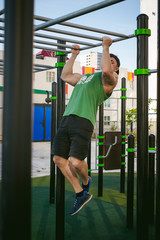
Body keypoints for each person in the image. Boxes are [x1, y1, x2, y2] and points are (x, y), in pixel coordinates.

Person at [52, 36, 120, 216]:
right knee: (58, 159)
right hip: (67, 118)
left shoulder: (110, 79)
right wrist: (74, 55)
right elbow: (65, 76)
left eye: (112, 61)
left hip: (83, 121)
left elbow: (105, 70)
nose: (108, 62)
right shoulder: (86, 78)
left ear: (116, 68)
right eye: (108, 58)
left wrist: (105, 47)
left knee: (75, 161)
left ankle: (85, 179)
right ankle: (81, 193)